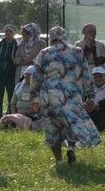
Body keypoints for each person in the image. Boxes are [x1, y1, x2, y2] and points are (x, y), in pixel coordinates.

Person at [29, 26, 101, 164]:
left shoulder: (44, 53)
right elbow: (86, 76)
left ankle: (59, 162)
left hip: (49, 96)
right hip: (71, 95)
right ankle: (71, 149)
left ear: (51, 38)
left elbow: (36, 77)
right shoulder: (77, 52)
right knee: (73, 122)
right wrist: (91, 97)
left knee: (52, 128)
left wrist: (34, 97)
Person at [0, 24, 19, 118]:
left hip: (11, 75)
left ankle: (9, 117)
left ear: (14, 33)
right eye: (6, 31)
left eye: (10, 31)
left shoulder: (17, 45)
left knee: (11, 96)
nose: (8, 33)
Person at [89, 66, 105, 131]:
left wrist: (98, 104)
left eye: (100, 76)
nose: (98, 79)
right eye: (95, 77)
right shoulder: (91, 90)